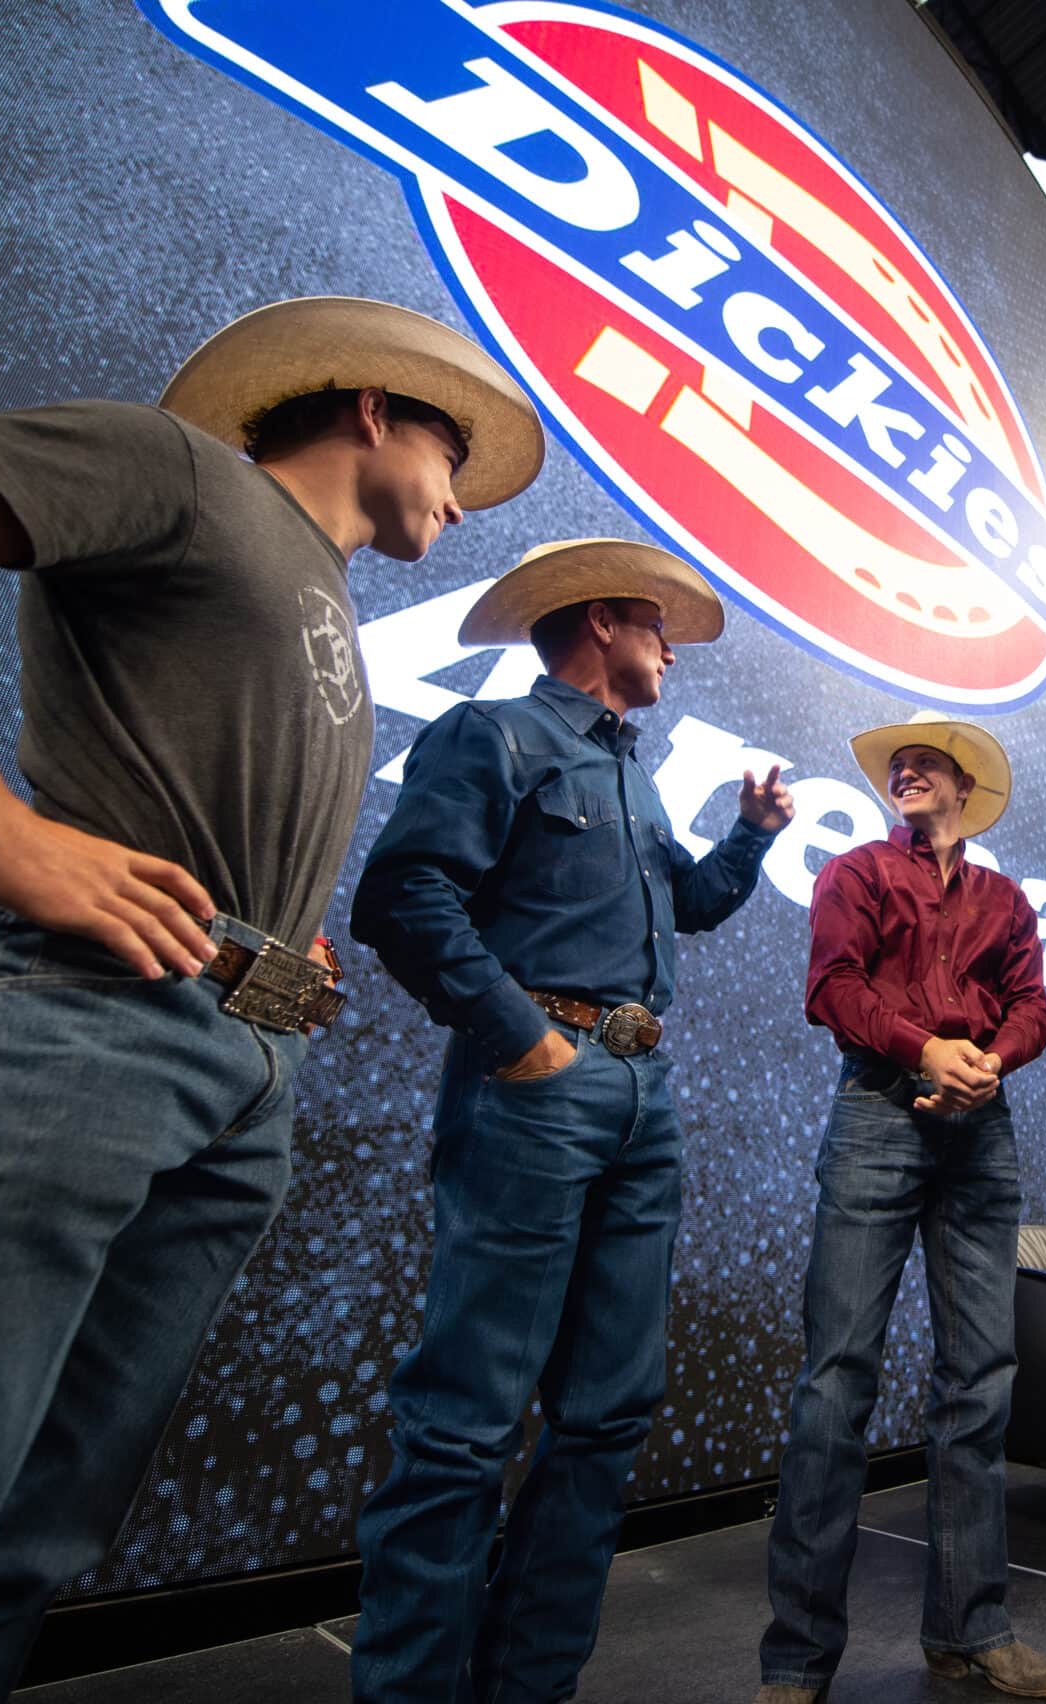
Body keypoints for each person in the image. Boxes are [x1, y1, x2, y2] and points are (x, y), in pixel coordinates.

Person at [0, 296, 543, 1700]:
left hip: (239, 1064)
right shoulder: (185, 472)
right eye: (458, 457)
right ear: (378, 411)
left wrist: (275, 940)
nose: (467, 502)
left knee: (29, 1539)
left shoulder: (321, 590)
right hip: (76, 1019)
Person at [347, 540, 792, 1702]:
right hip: (539, 1090)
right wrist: (526, 1042)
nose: (672, 649)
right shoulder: (493, 736)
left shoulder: (635, 775)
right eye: (657, 627)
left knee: (607, 1413)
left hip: (640, 1098)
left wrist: (749, 838)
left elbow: (689, 909)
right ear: (600, 622)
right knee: (467, 1421)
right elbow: (401, 893)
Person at [756, 710, 1046, 1703]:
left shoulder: (1007, 898)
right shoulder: (854, 873)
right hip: (877, 1114)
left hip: (981, 1130)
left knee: (978, 1381)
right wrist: (923, 1048)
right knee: (836, 1381)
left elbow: (1033, 1006)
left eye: (924, 762)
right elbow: (832, 989)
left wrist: (988, 1061)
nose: (904, 770)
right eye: (897, 765)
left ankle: (970, 1633)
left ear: (964, 789)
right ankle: (798, 1658)